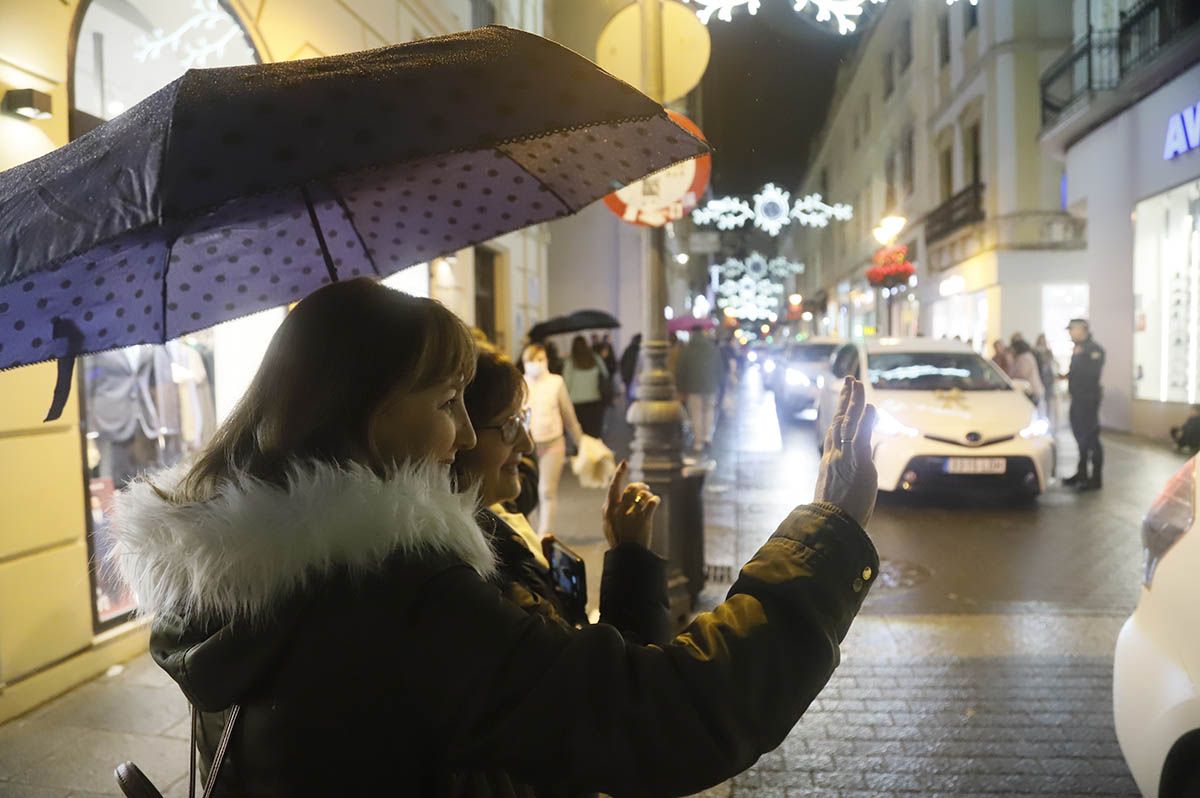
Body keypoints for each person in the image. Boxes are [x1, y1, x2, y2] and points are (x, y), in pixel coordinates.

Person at [109, 276, 882, 798]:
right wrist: (830, 533)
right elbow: (666, 716)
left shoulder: (256, 580)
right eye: (449, 402)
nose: (467, 435)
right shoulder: (396, 599)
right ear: (360, 411)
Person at [456, 345, 669, 642]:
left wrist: (550, 589)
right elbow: (618, 676)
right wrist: (630, 556)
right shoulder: (475, 580)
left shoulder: (490, 529)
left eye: (522, 420)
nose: (526, 444)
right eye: (508, 426)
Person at [522, 342, 585, 535]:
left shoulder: (556, 382)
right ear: (525, 362)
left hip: (553, 443)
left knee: (546, 491)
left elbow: (568, 414)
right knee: (529, 491)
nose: (537, 363)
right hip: (527, 445)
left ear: (547, 360)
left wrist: (580, 441)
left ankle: (544, 535)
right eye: (532, 360)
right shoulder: (520, 382)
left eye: (541, 359)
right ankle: (530, 533)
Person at [1063, 318, 1105, 491]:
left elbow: (1091, 374)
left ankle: (1094, 478)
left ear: (1082, 329)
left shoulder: (1093, 349)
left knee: (1091, 438)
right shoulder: (1079, 349)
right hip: (1078, 399)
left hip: (1087, 400)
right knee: (1080, 437)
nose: (1070, 333)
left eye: (1072, 329)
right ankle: (1081, 474)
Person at [676, 325, 725, 456]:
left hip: (693, 386)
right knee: (709, 410)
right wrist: (721, 384)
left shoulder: (688, 349)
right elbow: (719, 367)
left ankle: (698, 441)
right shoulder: (712, 348)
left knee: (696, 413)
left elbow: (681, 369)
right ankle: (707, 436)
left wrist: (680, 387)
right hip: (711, 386)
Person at [562, 335, 609, 439]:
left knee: (580, 434)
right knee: (594, 433)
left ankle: (582, 453)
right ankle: (595, 453)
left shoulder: (570, 362)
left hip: (576, 403)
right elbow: (605, 374)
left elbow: (566, 384)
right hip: (595, 400)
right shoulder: (595, 358)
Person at [1008, 338, 1044, 406]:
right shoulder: (1026, 356)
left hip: (1032, 391)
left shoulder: (1024, 358)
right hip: (1031, 390)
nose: (1012, 351)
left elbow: (1022, 374)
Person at [1034, 334, 1058, 424]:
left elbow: (1052, 364)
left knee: (1048, 400)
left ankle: (1047, 419)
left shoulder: (1048, 352)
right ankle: (1039, 419)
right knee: (1039, 400)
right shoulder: (1035, 352)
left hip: (1048, 379)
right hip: (1040, 378)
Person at [619, 332, 642, 404]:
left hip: (628, 376)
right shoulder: (641, 351)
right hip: (635, 376)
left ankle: (630, 410)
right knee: (637, 395)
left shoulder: (628, 349)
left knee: (629, 396)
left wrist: (623, 374)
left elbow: (621, 362)